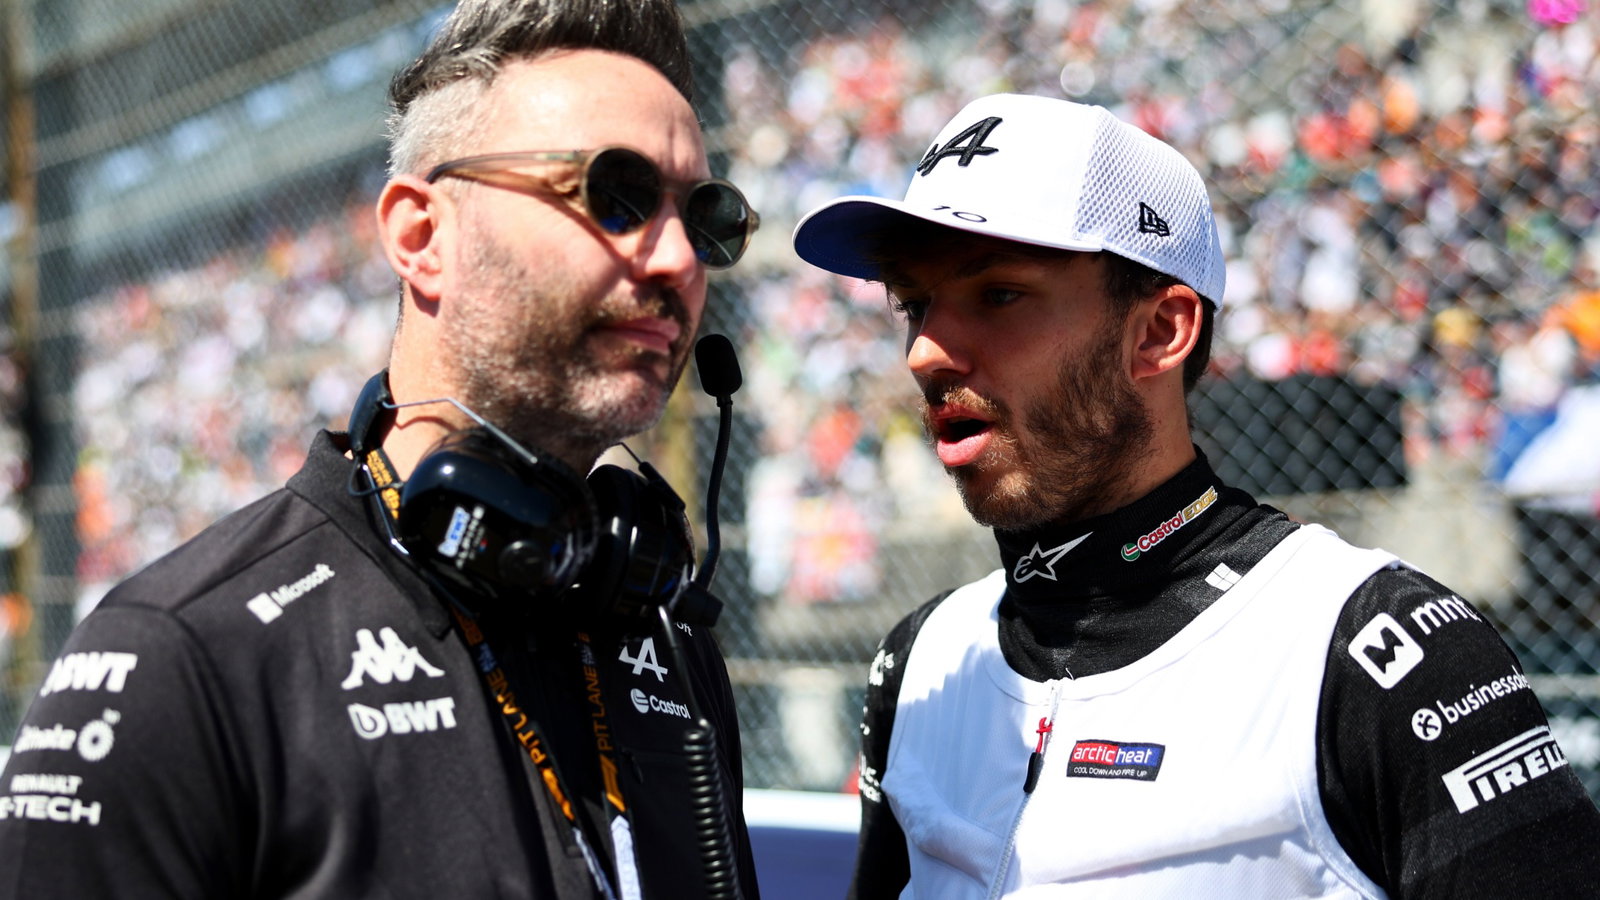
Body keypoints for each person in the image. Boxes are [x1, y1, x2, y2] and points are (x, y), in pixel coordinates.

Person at [0, 1, 763, 897]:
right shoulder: (175, 661)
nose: (678, 259)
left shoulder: (661, 633)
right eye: (616, 194)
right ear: (421, 237)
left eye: (706, 217)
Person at [791, 93, 1600, 898]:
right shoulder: (924, 656)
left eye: (998, 294)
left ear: (1159, 331)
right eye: (913, 303)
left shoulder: (1375, 652)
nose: (925, 351)